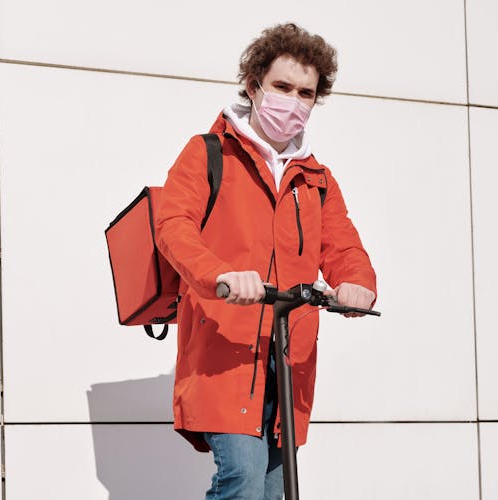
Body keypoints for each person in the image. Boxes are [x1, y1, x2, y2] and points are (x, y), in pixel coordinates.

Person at [154, 23, 377, 499]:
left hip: (289, 353)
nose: (292, 101)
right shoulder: (208, 153)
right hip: (225, 349)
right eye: (281, 87)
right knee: (243, 478)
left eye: (305, 93)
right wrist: (220, 276)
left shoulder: (316, 178)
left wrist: (356, 283)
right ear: (254, 86)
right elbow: (173, 226)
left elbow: (342, 246)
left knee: (276, 490)